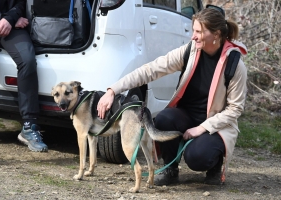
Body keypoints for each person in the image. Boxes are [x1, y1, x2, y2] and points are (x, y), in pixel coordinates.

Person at [97, 7, 247, 186]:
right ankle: (170, 169)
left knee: (197, 158)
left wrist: (203, 128)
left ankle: (214, 165)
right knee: (163, 119)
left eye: (199, 32)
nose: (193, 36)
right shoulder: (190, 51)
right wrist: (113, 90)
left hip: (215, 124)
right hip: (186, 116)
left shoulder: (235, 64)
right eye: (193, 30)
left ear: (216, 34)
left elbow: (235, 109)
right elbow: (151, 70)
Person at [0, 0, 48, 163]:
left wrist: (10, 18)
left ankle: (29, 126)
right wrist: (2, 19)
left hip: (10, 24)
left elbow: (20, 2)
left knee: (28, 61)